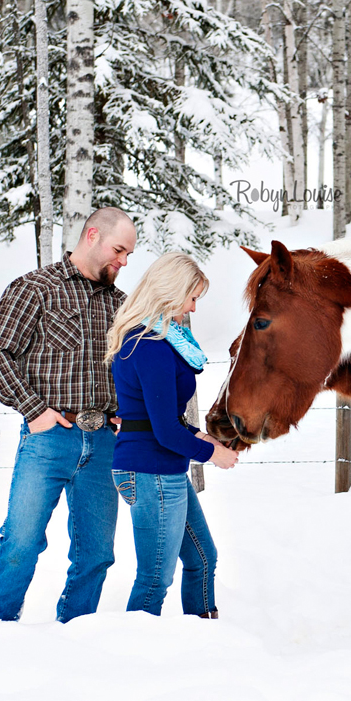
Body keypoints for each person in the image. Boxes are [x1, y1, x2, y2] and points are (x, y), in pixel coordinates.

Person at [0, 207, 138, 623]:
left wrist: (123, 409)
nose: (123, 261)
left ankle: (74, 633)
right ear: (92, 236)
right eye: (119, 250)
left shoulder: (121, 304)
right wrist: (34, 410)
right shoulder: (35, 289)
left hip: (103, 442)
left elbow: (127, 368)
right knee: (21, 542)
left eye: (128, 255)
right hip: (49, 437)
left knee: (98, 553)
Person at [106, 252, 239, 618]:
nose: (194, 308)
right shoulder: (149, 345)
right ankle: (135, 656)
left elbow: (159, 417)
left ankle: (202, 635)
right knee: (154, 578)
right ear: (170, 292)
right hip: (152, 470)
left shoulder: (155, 340)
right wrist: (214, 455)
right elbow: (163, 430)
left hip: (161, 467)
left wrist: (201, 436)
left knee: (202, 557)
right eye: (192, 297)